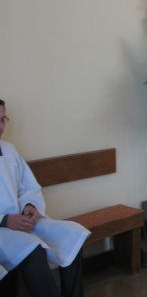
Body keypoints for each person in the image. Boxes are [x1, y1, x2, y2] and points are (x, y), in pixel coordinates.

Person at [0, 99, 88, 297]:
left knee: (73, 234)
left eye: (3, 119)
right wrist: (5, 220)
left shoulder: (9, 150)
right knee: (33, 249)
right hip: (2, 230)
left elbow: (27, 188)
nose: (1, 126)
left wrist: (29, 206)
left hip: (23, 221)